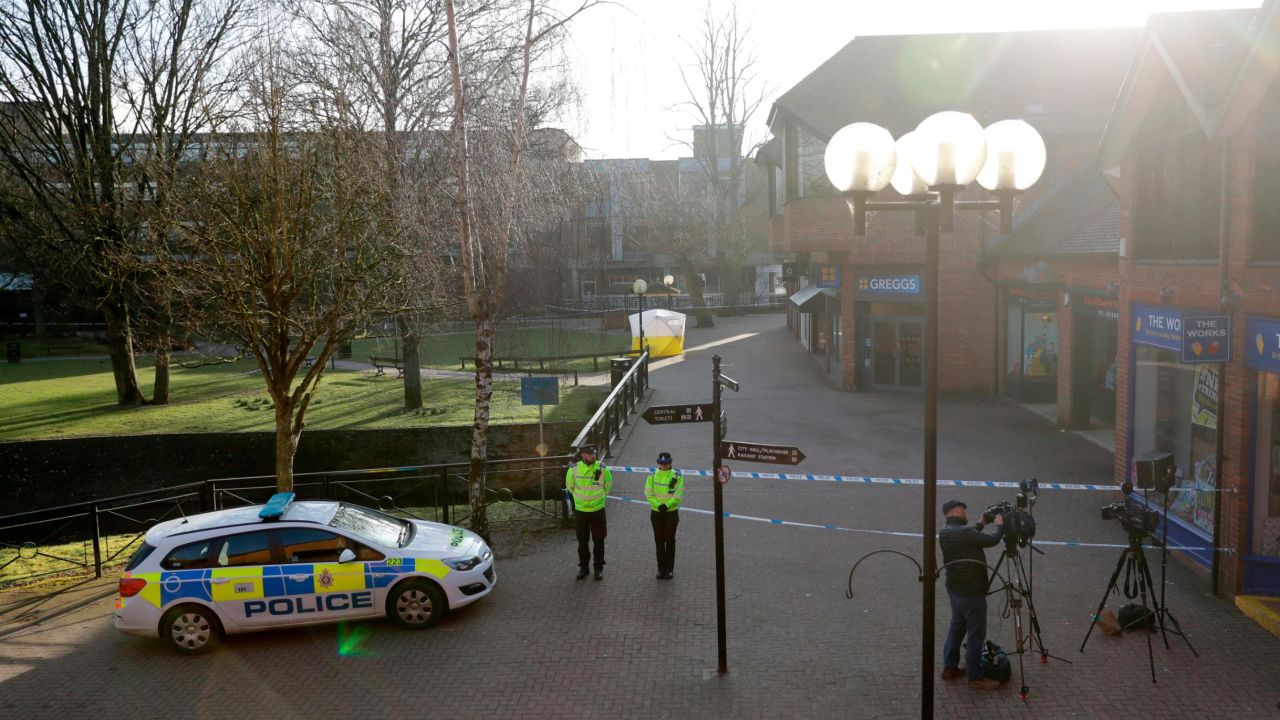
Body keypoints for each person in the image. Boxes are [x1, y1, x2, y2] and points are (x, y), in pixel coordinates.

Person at [938, 499, 1005, 690]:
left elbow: (971, 537)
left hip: (955, 589)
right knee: (976, 634)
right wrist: (999, 525)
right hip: (971, 591)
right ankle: (976, 678)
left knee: (957, 626)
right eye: (964, 510)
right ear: (958, 511)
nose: (966, 514)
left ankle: (950, 668)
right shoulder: (964, 533)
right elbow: (991, 540)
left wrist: (981, 523)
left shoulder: (945, 532)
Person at [565, 444, 612, 580]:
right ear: (582, 455)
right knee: (582, 542)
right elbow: (570, 486)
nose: (594, 456)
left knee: (599, 541)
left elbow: (608, 486)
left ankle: (598, 568)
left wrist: (599, 498)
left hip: (598, 510)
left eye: (595, 454)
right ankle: (584, 568)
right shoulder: (573, 469)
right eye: (590, 454)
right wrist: (581, 500)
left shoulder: (602, 468)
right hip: (581, 511)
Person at [644, 451, 684, 580]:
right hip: (656, 513)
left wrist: (667, 505)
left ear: (670, 463)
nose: (664, 465)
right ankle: (661, 569)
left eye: (666, 463)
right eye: (661, 463)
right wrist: (658, 504)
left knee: (670, 541)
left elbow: (678, 495)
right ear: (659, 463)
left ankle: (669, 570)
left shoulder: (677, 476)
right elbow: (648, 493)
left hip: (671, 513)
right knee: (659, 542)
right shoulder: (652, 475)